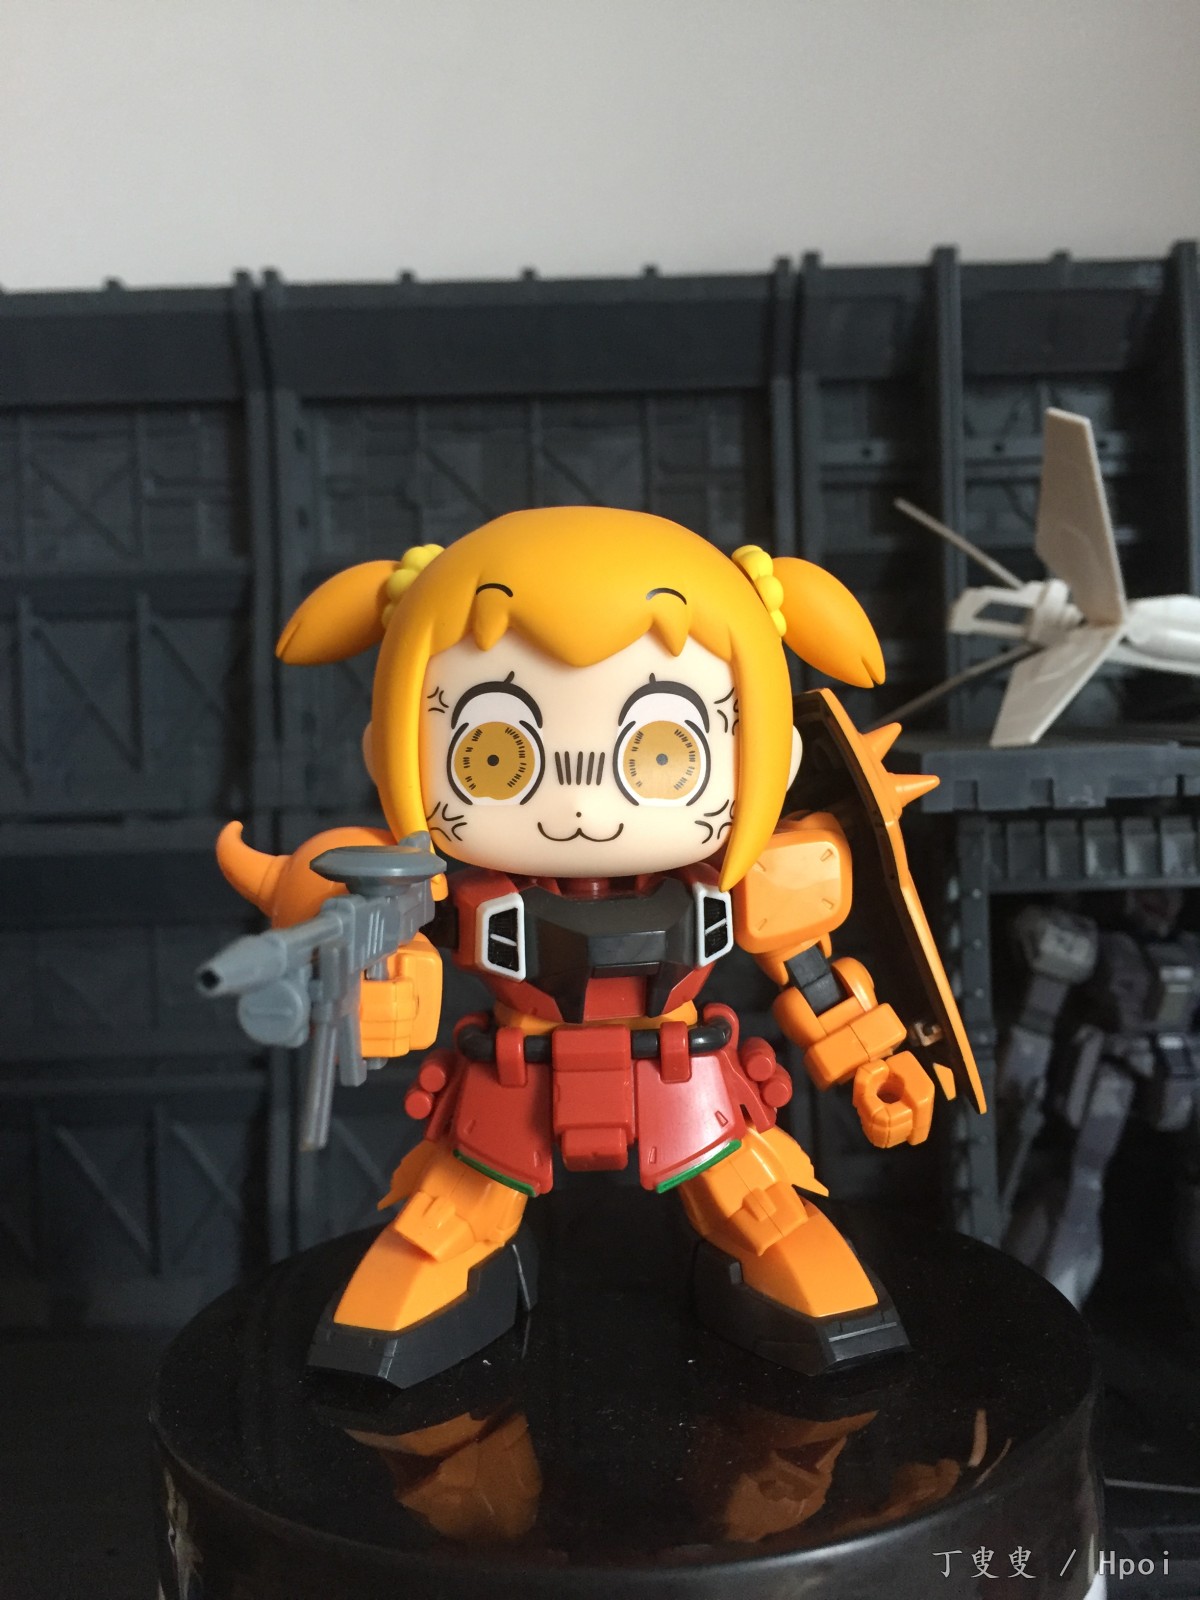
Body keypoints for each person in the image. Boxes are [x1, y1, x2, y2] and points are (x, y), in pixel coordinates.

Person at [217, 506, 982, 1385]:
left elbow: (810, 973)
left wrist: (871, 1062)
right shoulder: (436, 887)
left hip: (685, 1075)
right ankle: (450, 1246)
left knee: (761, 1204)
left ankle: (765, 1237)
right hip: (514, 1076)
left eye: (661, 750)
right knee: (449, 1212)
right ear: (393, 745)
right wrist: (375, 980)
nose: (581, 805)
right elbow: (380, 945)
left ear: (765, 751)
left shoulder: (758, 875)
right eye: (494, 753)